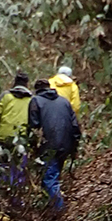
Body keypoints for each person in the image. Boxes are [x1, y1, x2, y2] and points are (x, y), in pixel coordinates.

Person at [28, 78, 80, 214]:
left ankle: (59, 209)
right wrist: (74, 146)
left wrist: (33, 147)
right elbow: (75, 126)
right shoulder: (64, 101)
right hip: (66, 145)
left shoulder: (36, 101)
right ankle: (50, 208)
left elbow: (33, 126)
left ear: (37, 90)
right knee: (53, 175)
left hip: (48, 145)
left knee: (49, 178)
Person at [0, 71, 33, 207]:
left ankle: (1, 198)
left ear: (14, 82)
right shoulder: (31, 99)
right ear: (27, 84)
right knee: (19, 168)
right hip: (21, 139)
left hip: (4, 137)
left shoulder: (6, 96)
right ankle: (15, 200)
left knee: (3, 167)